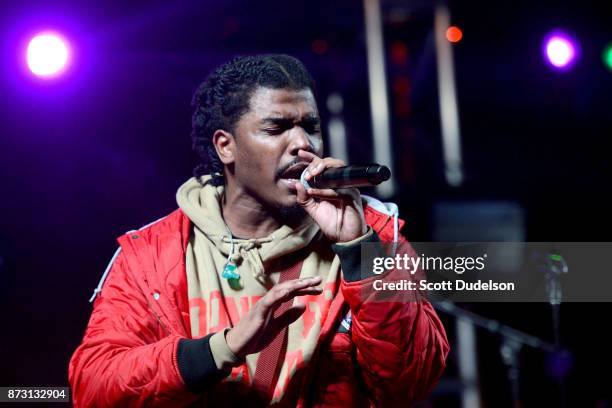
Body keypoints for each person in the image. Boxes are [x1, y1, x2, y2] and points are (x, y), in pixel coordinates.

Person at [68, 54, 449, 407]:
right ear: (225, 147)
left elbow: (409, 382)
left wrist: (357, 249)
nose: (303, 144)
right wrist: (223, 348)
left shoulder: (375, 236)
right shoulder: (152, 254)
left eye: (310, 127)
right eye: (276, 128)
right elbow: (94, 387)